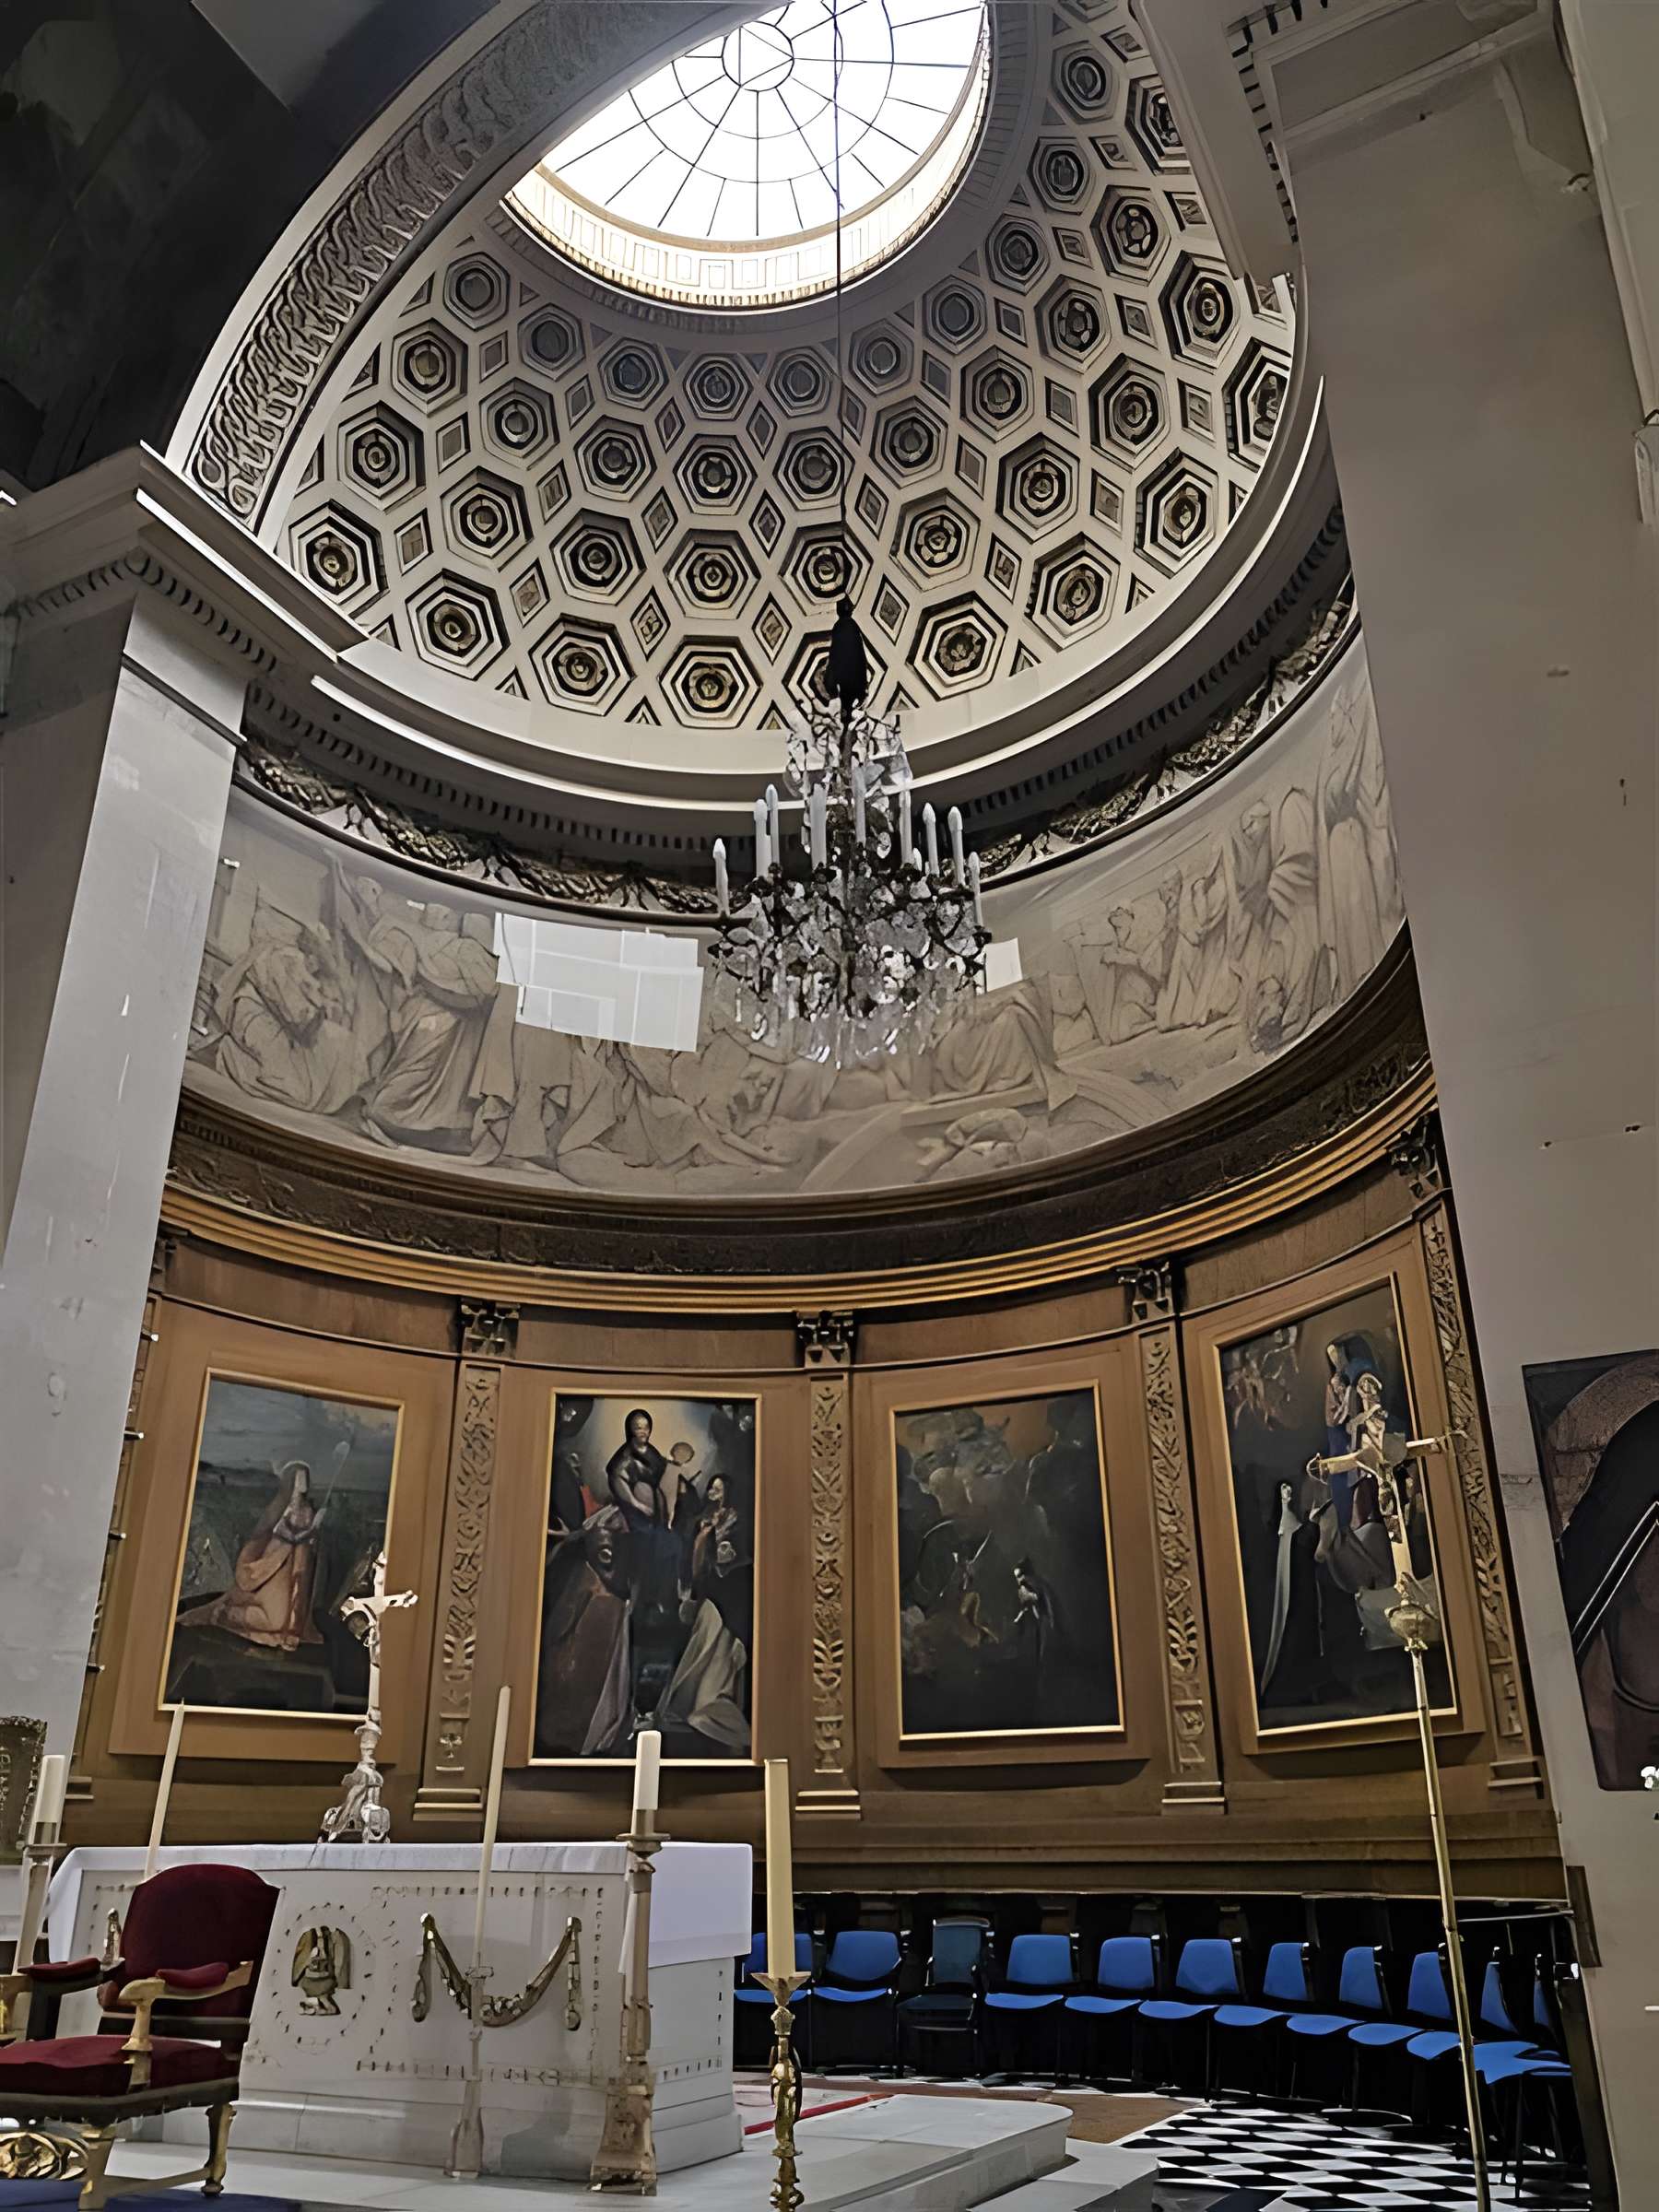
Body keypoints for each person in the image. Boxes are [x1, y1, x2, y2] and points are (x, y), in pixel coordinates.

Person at [177, 1461, 329, 1653]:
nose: (303, 1515)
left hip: (275, 1616)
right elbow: (249, 1577)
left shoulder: (303, 1547)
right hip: (270, 1613)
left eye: (305, 1513)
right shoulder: (275, 1545)